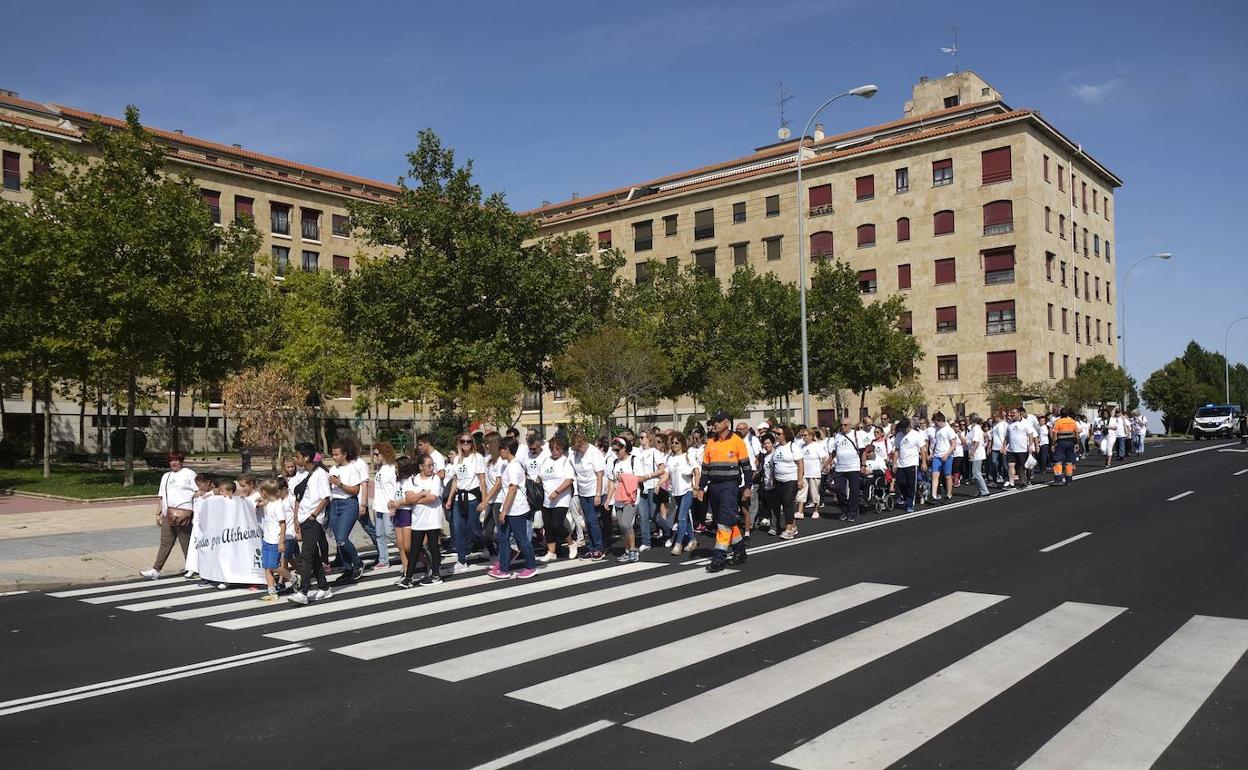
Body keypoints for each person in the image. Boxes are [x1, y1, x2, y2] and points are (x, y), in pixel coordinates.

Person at [702, 411, 752, 572]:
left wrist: (748, 487)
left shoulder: (737, 441)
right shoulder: (711, 442)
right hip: (714, 486)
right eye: (713, 421)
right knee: (727, 520)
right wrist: (700, 487)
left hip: (730, 486)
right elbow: (705, 469)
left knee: (723, 524)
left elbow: (747, 467)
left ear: (726, 423)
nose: (714, 424)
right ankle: (740, 551)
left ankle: (719, 558)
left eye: (717, 421)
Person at [142, 450, 198, 580]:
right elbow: (162, 497)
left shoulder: (189, 474)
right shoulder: (166, 476)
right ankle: (156, 569)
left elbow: (197, 491)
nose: (174, 463)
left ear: (181, 461)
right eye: (172, 460)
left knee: (186, 543)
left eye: (177, 460)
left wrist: (192, 510)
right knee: (165, 542)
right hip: (168, 514)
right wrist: (158, 513)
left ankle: (193, 568)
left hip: (184, 514)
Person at [288, 442, 332, 605]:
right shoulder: (301, 473)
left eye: (298, 456)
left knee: (306, 555)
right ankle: (324, 587)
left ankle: (303, 591)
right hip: (303, 519)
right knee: (313, 556)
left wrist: (313, 515)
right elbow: (299, 498)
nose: (295, 459)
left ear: (306, 457)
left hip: (313, 520)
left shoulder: (320, 474)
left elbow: (325, 498)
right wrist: (296, 519)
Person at [488, 436, 539, 580]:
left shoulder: (513, 466)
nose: (499, 453)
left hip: (516, 509)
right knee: (503, 538)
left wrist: (504, 510)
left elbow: (512, 489)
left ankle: (531, 566)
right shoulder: (510, 465)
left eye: (501, 450)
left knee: (521, 538)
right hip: (511, 508)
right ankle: (503, 568)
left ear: (507, 450)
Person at [399, 453, 445, 587]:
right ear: (420, 467)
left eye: (432, 465)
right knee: (414, 548)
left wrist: (416, 499)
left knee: (433, 546)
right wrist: (421, 494)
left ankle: (436, 574)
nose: (431, 468)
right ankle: (409, 577)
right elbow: (408, 498)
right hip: (418, 520)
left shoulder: (435, 479)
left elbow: (432, 498)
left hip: (433, 519)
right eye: (428, 466)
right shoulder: (412, 480)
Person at [444, 433, 487, 574]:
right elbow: (456, 480)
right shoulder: (457, 459)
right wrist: (450, 498)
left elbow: (482, 480)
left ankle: (492, 548)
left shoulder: (478, 458)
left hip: (473, 498)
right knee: (458, 530)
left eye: (468, 441)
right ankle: (461, 560)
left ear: (472, 443)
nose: (466, 443)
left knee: (476, 530)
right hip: (459, 499)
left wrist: (484, 500)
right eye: (463, 441)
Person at [326, 442, 366, 584]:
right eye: (333, 454)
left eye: (337, 454)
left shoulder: (352, 469)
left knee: (343, 539)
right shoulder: (332, 469)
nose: (334, 457)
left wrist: (340, 484)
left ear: (344, 455)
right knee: (338, 541)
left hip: (349, 504)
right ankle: (347, 568)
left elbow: (356, 490)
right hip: (334, 504)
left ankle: (358, 563)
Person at [537, 436, 577, 562]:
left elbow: (569, 480)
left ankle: (571, 543)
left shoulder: (566, 461)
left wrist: (557, 491)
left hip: (561, 498)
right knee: (548, 527)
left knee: (556, 524)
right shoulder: (546, 461)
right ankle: (551, 551)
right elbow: (540, 476)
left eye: (557, 448)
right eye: (552, 448)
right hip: (546, 498)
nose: (554, 451)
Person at [569, 431, 607, 561]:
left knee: (592, 520)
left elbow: (600, 474)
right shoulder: (576, 454)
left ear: (584, 443)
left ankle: (599, 547)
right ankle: (591, 547)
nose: (577, 450)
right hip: (582, 491)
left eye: (578, 447)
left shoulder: (594, 453)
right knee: (586, 521)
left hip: (593, 490)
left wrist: (598, 494)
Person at [665, 431, 700, 555]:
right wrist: (659, 483)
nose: (674, 445)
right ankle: (692, 540)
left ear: (682, 444)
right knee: (685, 517)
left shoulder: (687, 455)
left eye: (676, 443)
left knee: (681, 517)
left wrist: (696, 487)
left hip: (687, 490)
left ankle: (678, 544)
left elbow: (696, 471)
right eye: (672, 443)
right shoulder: (669, 457)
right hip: (676, 491)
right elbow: (666, 473)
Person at [828, 416, 866, 522]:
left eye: (845, 425)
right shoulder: (838, 436)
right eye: (841, 425)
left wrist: (863, 465)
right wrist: (828, 462)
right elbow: (834, 451)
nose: (843, 427)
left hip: (853, 467)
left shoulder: (856, 434)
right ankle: (845, 510)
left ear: (850, 425)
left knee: (854, 490)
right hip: (840, 467)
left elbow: (863, 451)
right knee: (839, 490)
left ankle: (852, 512)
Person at [258, 478, 290, 601]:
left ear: (264, 491)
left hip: (275, 541)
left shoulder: (278, 505)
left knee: (273, 566)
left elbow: (283, 524)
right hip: (266, 539)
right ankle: (272, 592)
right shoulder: (270, 503)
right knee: (266, 566)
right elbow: (265, 502)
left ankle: (292, 578)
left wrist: (281, 541)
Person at [369, 441, 400, 570]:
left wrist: (394, 505)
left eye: (377, 454)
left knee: (389, 533)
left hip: (389, 506)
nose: (375, 457)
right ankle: (383, 560)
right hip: (378, 506)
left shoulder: (393, 468)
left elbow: (397, 487)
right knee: (379, 534)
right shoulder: (379, 468)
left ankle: (409, 548)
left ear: (384, 453)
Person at [771, 425, 804, 539]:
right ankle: (793, 526)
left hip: (791, 479)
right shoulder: (777, 447)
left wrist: (800, 480)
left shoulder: (793, 447)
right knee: (783, 504)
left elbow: (800, 463)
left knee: (787, 503)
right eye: (776, 434)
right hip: (779, 480)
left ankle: (789, 529)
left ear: (785, 435)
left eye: (779, 434)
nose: (777, 436)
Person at [388, 455, 417, 578]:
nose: (395, 469)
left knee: (408, 546)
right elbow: (394, 497)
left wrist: (399, 503)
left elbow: (410, 500)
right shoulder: (397, 481)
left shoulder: (410, 481)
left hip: (407, 512)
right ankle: (406, 570)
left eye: (396, 467)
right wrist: (391, 504)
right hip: (398, 513)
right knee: (400, 545)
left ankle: (428, 562)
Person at [1005, 408, 1039, 488]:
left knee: (1021, 467)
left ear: (1019, 413)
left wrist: (1031, 446)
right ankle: (1011, 483)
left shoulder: (1026, 423)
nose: (1012, 414)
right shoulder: (1009, 424)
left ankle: (1022, 482)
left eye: (1014, 413)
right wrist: (1004, 447)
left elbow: (1031, 434)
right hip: (1011, 449)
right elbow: (1007, 436)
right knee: (1010, 465)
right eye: (1011, 413)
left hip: (1022, 449)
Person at [928, 412, 958, 503]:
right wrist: (932, 453)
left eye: (936, 422)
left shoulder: (949, 430)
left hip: (947, 456)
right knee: (934, 475)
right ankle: (934, 495)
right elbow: (936, 443)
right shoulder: (937, 430)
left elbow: (953, 444)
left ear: (941, 421)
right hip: (937, 456)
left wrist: (947, 454)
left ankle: (949, 495)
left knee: (947, 476)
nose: (935, 424)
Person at [797, 427, 825, 518]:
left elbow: (824, 457)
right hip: (804, 473)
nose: (803, 437)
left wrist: (824, 467)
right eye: (802, 436)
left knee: (814, 492)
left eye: (805, 435)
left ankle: (816, 510)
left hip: (814, 473)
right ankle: (800, 511)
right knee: (801, 492)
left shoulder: (816, 446)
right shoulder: (801, 446)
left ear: (811, 436)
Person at [1050, 409, 1080, 485]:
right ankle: (1069, 480)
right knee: (1069, 462)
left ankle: (1058, 480)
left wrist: (1053, 444)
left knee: (1058, 461)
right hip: (1070, 442)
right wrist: (1077, 443)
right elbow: (1076, 433)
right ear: (1067, 414)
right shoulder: (1072, 421)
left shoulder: (1058, 422)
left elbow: (1054, 435)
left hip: (1061, 443)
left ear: (1060, 414)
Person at [967, 414, 990, 497]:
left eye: (968, 418)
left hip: (977, 454)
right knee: (975, 473)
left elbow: (976, 442)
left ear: (972, 419)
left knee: (976, 473)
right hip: (974, 453)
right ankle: (980, 490)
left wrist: (972, 452)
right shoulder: (973, 428)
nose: (967, 420)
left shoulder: (976, 428)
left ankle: (984, 491)